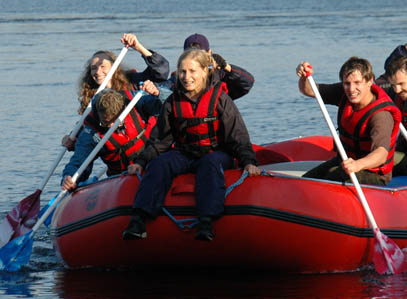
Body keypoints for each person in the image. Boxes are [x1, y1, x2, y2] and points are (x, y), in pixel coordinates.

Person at [124, 49, 261, 242]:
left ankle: (206, 221)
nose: (186, 77)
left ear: (205, 71)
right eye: (182, 71)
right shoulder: (173, 102)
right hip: (184, 153)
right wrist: (141, 161)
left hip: (216, 153)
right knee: (160, 164)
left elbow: (237, 135)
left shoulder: (220, 99)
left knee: (210, 164)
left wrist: (249, 161)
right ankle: (139, 219)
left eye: (192, 71)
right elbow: (160, 140)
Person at [295, 58, 401, 186]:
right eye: (347, 83)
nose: (351, 89)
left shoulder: (381, 115)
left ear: (370, 81)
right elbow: (309, 90)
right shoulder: (343, 92)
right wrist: (304, 77)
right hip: (346, 161)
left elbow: (381, 154)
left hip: (373, 173)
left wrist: (358, 165)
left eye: (357, 83)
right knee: (305, 182)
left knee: (328, 181)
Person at [63, 33, 170, 150]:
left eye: (102, 66)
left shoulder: (132, 81)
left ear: (114, 68)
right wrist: (73, 138)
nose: (98, 71)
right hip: (121, 150)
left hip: (147, 144)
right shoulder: (93, 97)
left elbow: (161, 71)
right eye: (93, 68)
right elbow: (88, 125)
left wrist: (138, 47)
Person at [61, 83, 162, 191]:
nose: (112, 127)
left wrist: (159, 93)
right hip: (122, 178)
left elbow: (169, 103)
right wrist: (69, 177)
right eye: (106, 122)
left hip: (153, 165)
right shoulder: (91, 133)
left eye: (116, 121)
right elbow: (79, 160)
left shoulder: (137, 103)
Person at [160, 33, 255, 100]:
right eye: (191, 54)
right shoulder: (181, 78)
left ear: (209, 52)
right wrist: (155, 90)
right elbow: (164, 89)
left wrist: (226, 66)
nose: (196, 58)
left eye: (200, 54)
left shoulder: (220, 76)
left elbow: (247, 83)